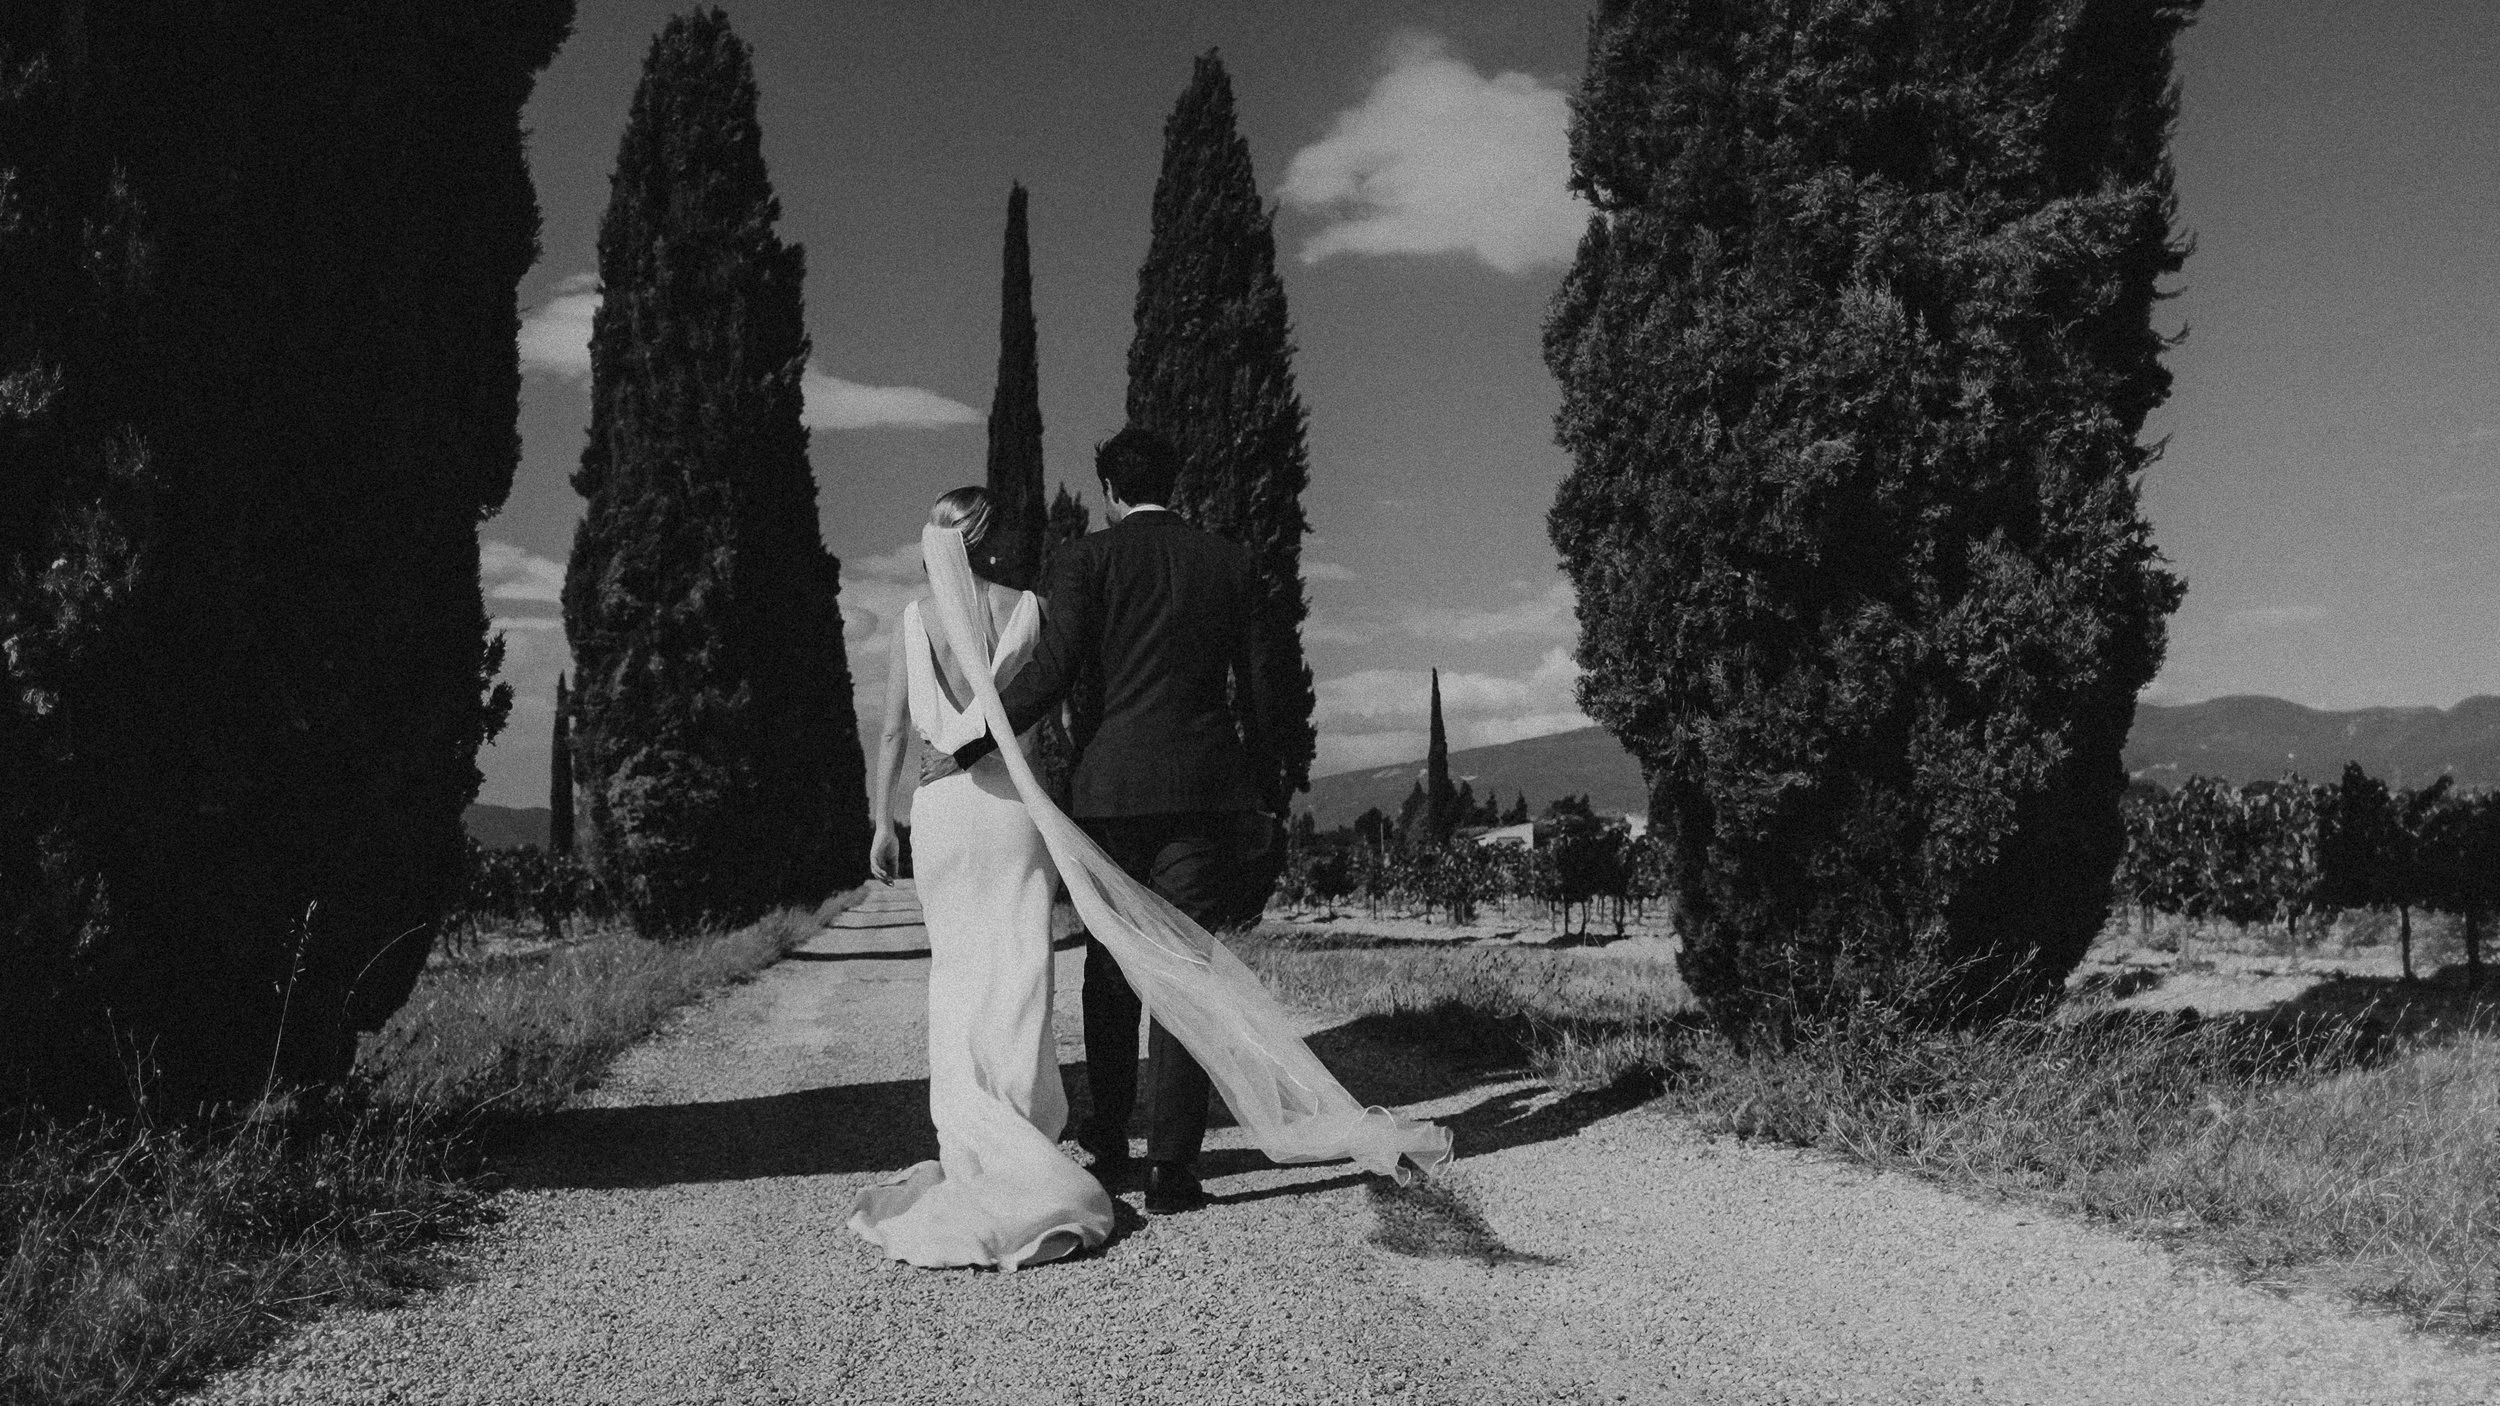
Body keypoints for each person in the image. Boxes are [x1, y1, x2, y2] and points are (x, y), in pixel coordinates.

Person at [934, 428, 1448, 1214]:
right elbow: (1266, 691)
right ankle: (1173, 1167)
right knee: (1188, 973)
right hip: (1206, 791)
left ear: (1108, 489)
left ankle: (1109, 1141)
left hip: (1110, 795)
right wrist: (1268, 790)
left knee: (1111, 970)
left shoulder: (1086, 561)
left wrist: (972, 740)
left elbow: (1053, 670)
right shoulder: (1230, 563)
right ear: (1175, 479)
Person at [848, 487, 1115, 1272]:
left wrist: (882, 820)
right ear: (994, 541)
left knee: (957, 972)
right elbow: (1051, 723)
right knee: (1024, 967)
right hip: (1013, 810)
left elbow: (896, 726)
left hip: (942, 812)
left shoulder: (912, 620)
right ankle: (1029, 1129)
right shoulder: (1029, 610)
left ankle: (970, 1143)